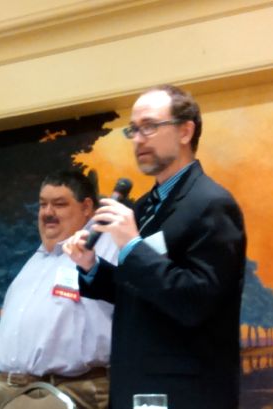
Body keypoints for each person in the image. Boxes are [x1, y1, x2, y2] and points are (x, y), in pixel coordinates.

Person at [64, 85, 247, 409]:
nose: (138, 139)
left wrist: (132, 246)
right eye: (133, 130)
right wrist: (91, 266)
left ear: (185, 131)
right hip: (136, 385)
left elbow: (195, 301)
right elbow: (139, 292)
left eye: (149, 126)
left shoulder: (212, 203)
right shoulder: (146, 206)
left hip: (186, 394)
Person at [0, 170, 118, 409]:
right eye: (42, 204)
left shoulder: (106, 248)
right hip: (9, 391)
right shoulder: (36, 260)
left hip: (64, 389)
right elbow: (11, 326)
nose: (47, 212)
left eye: (59, 204)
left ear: (87, 207)